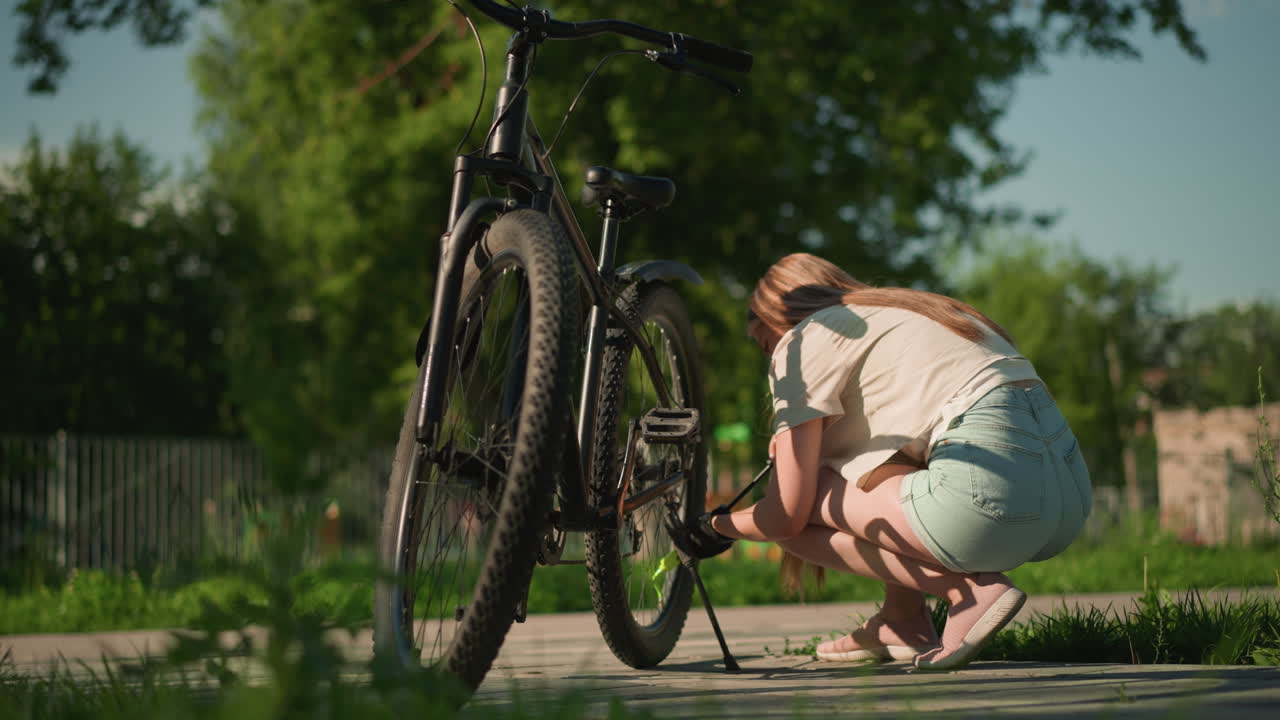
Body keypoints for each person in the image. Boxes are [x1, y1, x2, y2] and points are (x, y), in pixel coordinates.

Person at [697, 252, 1091, 671]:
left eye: (764, 343)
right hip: (1070, 498)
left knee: (797, 505)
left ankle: (966, 592)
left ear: (777, 319)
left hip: (991, 502)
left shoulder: (804, 340)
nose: (771, 360)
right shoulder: (917, 313)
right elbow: (890, 466)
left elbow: (787, 515)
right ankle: (901, 620)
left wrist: (715, 525)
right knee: (868, 471)